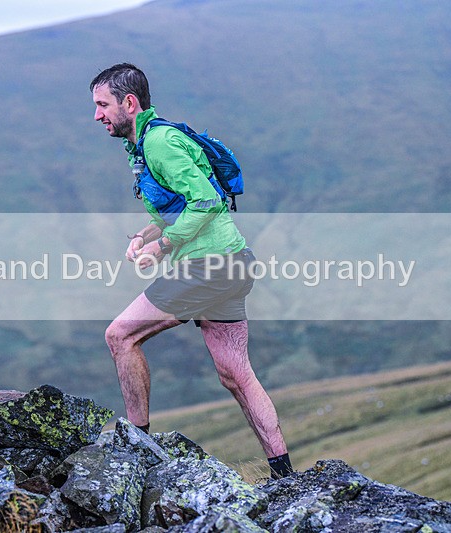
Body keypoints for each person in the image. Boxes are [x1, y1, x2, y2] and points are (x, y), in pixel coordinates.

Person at [90, 63, 293, 479]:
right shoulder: (147, 143)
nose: (97, 115)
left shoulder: (159, 143)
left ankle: (137, 450)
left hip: (207, 268)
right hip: (232, 262)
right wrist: (145, 235)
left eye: (103, 105)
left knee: (120, 336)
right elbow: (179, 207)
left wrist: (163, 246)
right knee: (236, 374)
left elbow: (206, 202)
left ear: (130, 102)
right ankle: (284, 474)